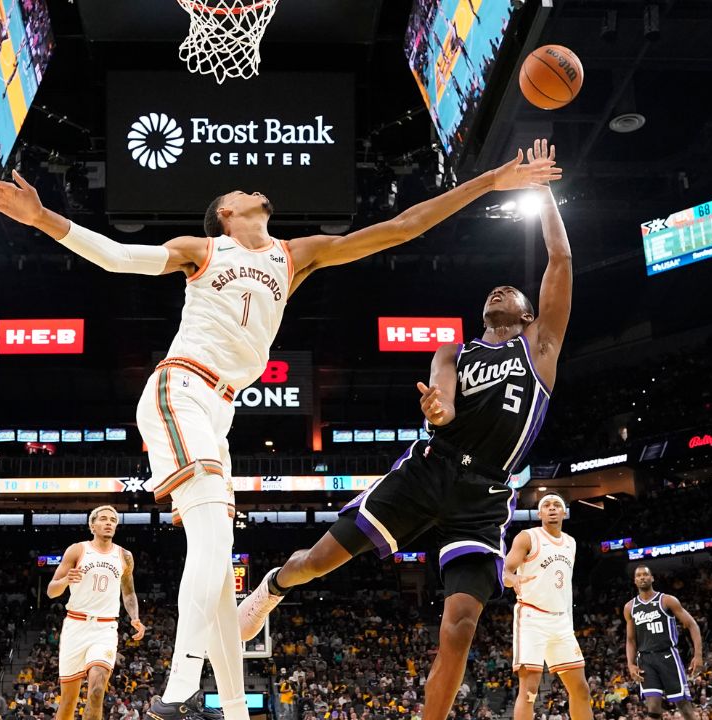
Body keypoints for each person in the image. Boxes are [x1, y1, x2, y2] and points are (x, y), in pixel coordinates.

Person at [0, 139, 560, 720]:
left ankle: (228, 703)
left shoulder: (292, 254)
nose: (257, 191)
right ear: (226, 213)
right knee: (211, 545)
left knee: (218, 550)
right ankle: (177, 693)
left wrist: (488, 182)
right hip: (181, 388)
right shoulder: (202, 249)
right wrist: (43, 218)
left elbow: (402, 226)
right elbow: (118, 257)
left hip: (221, 410)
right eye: (241, 193)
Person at [236, 139, 571, 720]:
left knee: (461, 627)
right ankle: (271, 588)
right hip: (428, 467)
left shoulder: (540, 349)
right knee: (317, 562)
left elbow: (560, 262)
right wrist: (438, 409)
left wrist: (541, 190)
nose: (496, 291)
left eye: (509, 292)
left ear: (528, 314)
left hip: (484, 496)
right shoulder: (454, 349)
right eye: (490, 292)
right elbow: (438, 393)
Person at [47, 506, 147, 720]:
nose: (109, 522)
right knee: (67, 703)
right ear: (92, 525)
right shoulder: (77, 550)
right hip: (76, 625)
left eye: (113, 519)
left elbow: (129, 593)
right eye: (103, 519)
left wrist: (135, 617)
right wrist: (66, 581)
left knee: (97, 690)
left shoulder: (124, 556)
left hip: (105, 628)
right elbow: (51, 591)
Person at [503, 494, 591, 720]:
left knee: (581, 690)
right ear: (539, 514)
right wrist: (513, 580)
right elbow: (505, 571)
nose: (552, 509)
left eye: (557, 505)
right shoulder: (527, 537)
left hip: (561, 622)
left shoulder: (571, 543)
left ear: (564, 513)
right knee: (529, 691)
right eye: (546, 506)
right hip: (532, 618)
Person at [623, 565, 703, 720]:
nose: (642, 577)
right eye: (638, 575)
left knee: (683, 706)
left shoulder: (667, 600)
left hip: (667, 655)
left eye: (645, 574)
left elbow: (693, 625)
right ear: (634, 580)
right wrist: (630, 664)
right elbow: (630, 639)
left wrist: (698, 655)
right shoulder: (630, 607)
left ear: (652, 578)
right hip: (645, 659)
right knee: (653, 707)